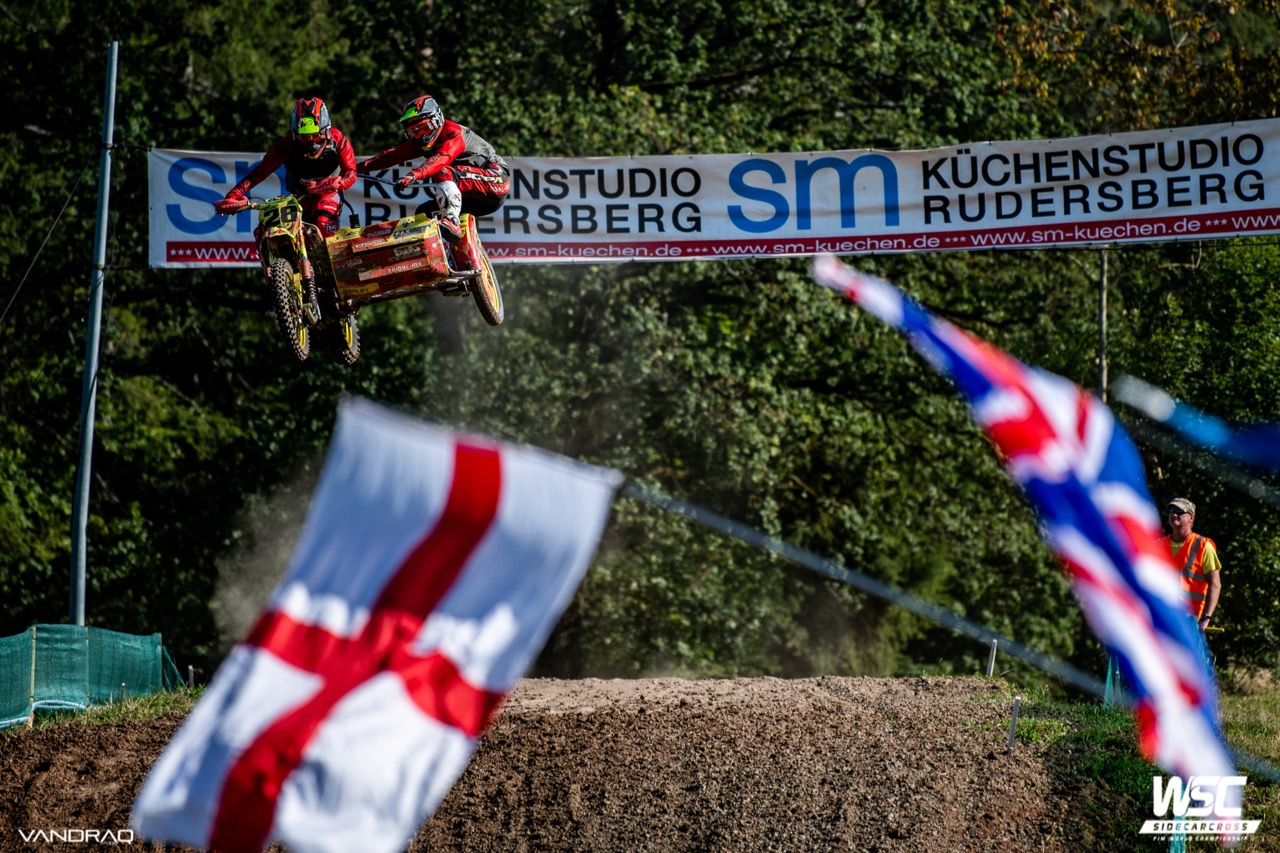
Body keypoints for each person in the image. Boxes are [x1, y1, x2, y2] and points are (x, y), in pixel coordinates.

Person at [355, 95, 510, 243]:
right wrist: (353, 170)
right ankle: (442, 253)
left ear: (437, 121)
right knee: (424, 214)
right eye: (413, 131)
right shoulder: (419, 142)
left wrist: (413, 175)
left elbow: (441, 159)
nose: (420, 136)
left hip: (496, 180)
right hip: (471, 196)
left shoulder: (453, 133)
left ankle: (451, 220)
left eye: (425, 127)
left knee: (443, 171)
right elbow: (391, 157)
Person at [213, 96, 358, 238]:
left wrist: (338, 183)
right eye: (304, 137)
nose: (310, 142)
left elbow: (351, 171)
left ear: (325, 129)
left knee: (323, 223)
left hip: (328, 194)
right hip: (298, 197)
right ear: (295, 133)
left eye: (315, 135)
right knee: (269, 231)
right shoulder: (285, 145)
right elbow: (259, 172)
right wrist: (232, 196)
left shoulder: (338, 140)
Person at [1161, 497, 1222, 632]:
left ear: (1191, 518)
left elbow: (1215, 585)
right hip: (1161, 620)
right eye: (1171, 511)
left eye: (1179, 511)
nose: (1174, 514)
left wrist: (1206, 618)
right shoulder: (1158, 545)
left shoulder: (1203, 546)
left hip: (1190, 623)